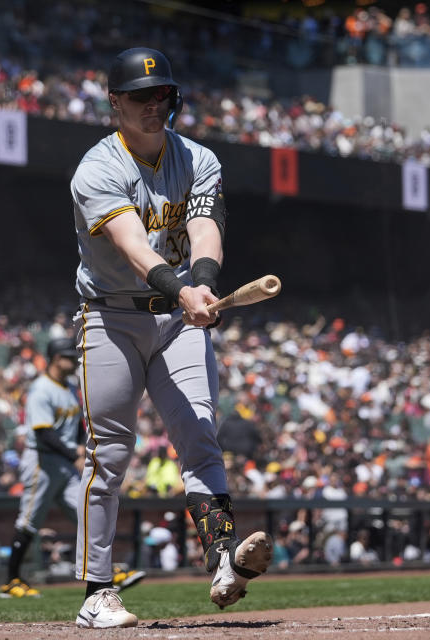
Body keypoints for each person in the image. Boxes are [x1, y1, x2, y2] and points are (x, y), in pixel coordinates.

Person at [70, 47, 272, 628]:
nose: (153, 106)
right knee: (108, 455)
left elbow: (204, 226)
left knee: (200, 433)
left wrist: (203, 285)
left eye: (161, 95)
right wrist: (182, 290)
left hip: (178, 316)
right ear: (115, 103)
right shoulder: (97, 169)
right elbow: (134, 245)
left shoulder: (198, 158)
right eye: (139, 97)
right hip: (110, 316)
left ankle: (223, 560)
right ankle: (96, 594)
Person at [0, 337, 146, 598]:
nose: (73, 361)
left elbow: (78, 425)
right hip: (41, 461)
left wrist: (78, 448)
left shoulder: (67, 388)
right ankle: (11, 582)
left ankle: (108, 573)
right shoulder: (41, 389)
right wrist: (74, 454)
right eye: (69, 356)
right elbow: (43, 433)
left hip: (62, 463)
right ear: (57, 359)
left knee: (86, 515)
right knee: (29, 521)